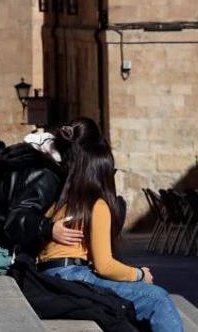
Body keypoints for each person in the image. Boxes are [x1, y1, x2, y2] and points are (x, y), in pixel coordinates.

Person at [36, 118, 184, 332]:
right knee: (158, 299)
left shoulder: (61, 202)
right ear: (100, 170)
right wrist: (140, 274)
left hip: (52, 276)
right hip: (73, 276)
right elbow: (104, 265)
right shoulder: (96, 205)